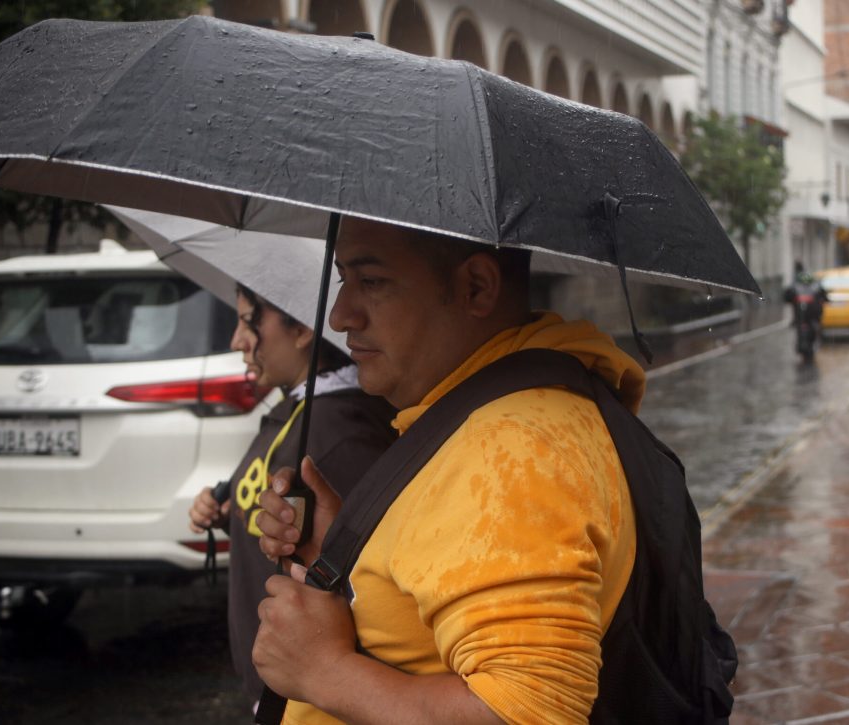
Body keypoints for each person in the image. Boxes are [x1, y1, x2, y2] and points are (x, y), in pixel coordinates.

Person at [252, 216, 646, 723]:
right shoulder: (491, 415)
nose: (340, 315)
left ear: (476, 287)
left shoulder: (511, 447)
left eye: (371, 282)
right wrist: (350, 553)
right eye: (344, 279)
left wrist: (323, 671)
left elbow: (525, 713)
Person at [186, 284, 395, 709]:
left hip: (307, 696)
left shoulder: (338, 431)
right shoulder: (296, 411)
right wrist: (231, 510)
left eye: (250, 321)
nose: (237, 341)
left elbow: (361, 570)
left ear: (302, 328)